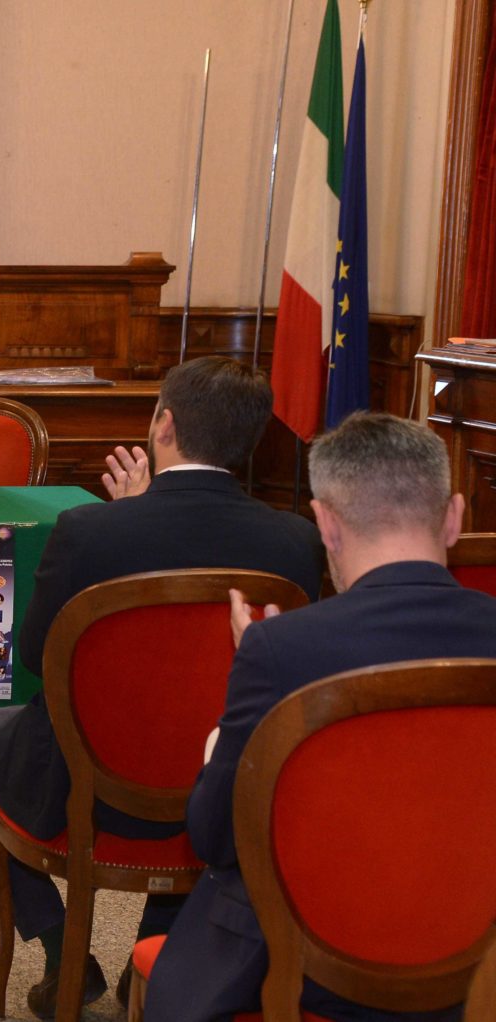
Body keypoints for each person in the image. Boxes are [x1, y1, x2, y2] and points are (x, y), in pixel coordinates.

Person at [0, 356, 325, 1018]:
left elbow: (37, 657)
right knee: (196, 741)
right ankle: (155, 955)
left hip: (86, 783)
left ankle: (63, 949)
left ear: (163, 424)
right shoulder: (296, 542)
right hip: (222, 783)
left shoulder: (91, 531)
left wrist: (130, 522)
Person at [144, 412, 496, 1022]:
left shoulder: (279, 650)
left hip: (309, 967)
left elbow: (213, 836)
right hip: (479, 963)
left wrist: (242, 713)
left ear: (326, 524)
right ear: (455, 516)